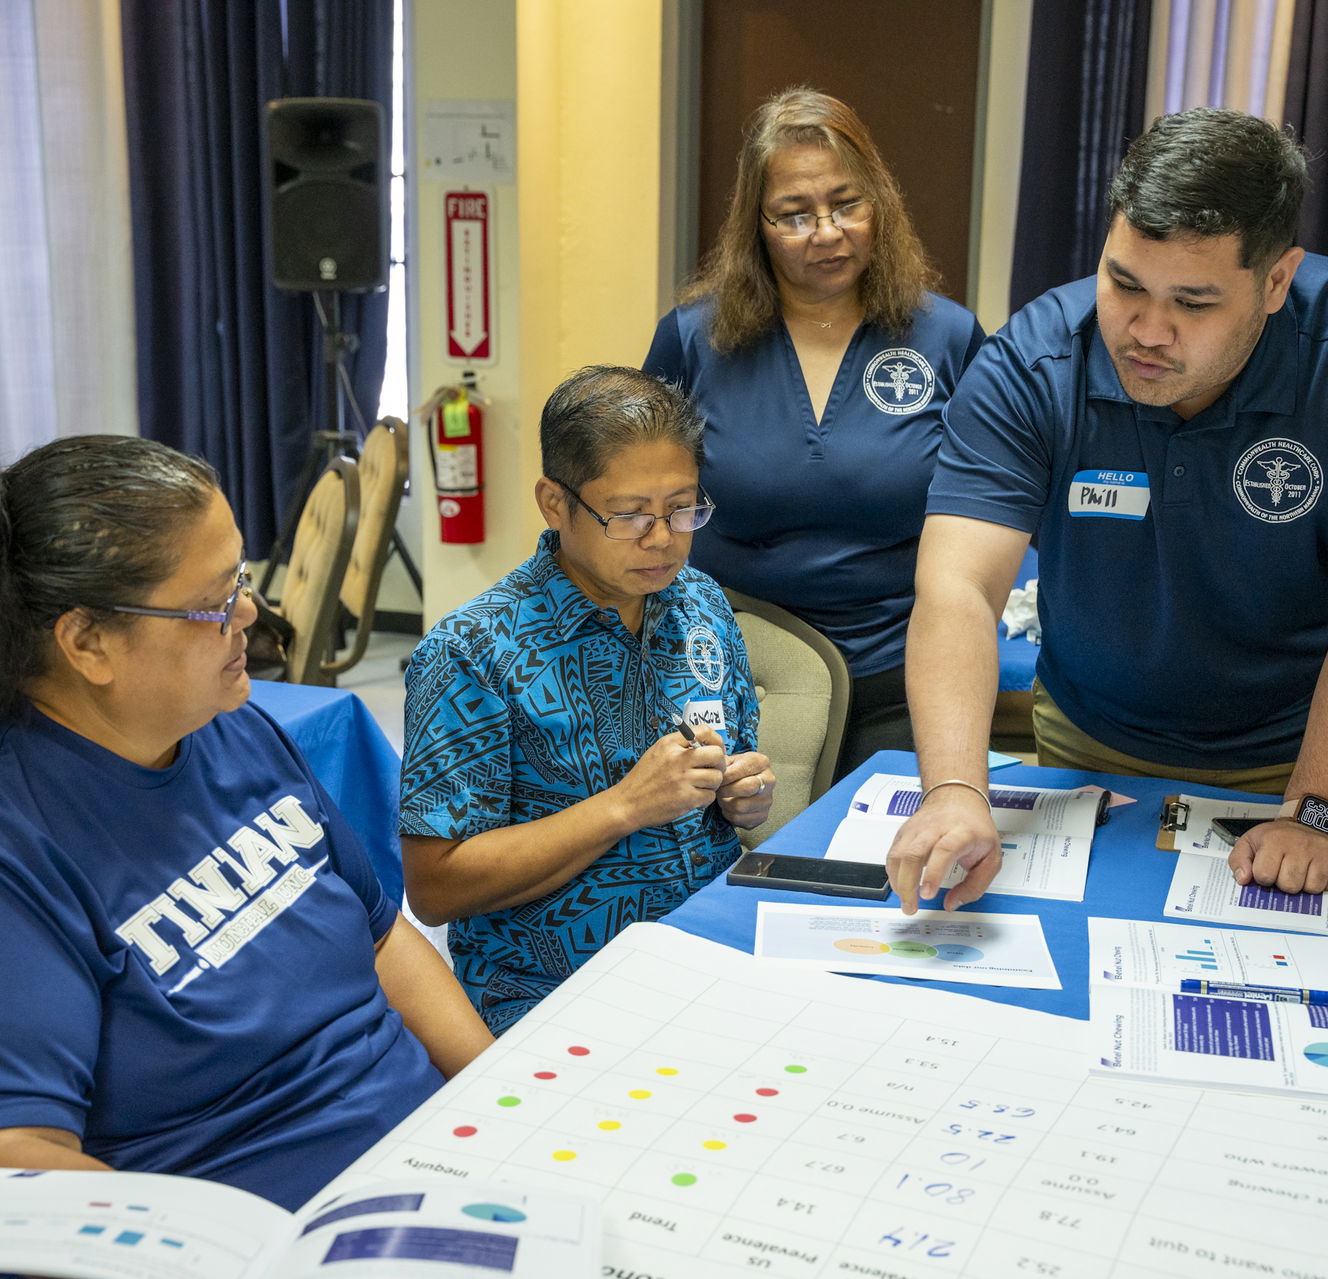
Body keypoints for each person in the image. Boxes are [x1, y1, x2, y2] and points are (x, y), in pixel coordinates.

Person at [885, 106, 1328, 913]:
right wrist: (952, 786)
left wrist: (1319, 810)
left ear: (1275, 281)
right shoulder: (1039, 357)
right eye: (1124, 282)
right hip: (1089, 738)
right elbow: (958, 586)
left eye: (1193, 303)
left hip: (1298, 755)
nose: (1146, 331)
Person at [0, 436, 491, 1211]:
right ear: (88, 642)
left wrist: (496, 1098)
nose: (251, 613)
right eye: (216, 598)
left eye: (243, 578)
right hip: (260, 1223)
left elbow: (381, 933)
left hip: (435, 1155)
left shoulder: (231, 725)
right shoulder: (23, 848)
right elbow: (23, 1156)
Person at [401, 366, 774, 1035]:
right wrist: (625, 806)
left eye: (683, 508)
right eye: (629, 515)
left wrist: (743, 792)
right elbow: (436, 886)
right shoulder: (473, 652)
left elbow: (733, 771)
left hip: (711, 947)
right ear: (555, 502)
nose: (662, 538)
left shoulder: (702, 605)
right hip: (554, 992)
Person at [643, 87, 985, 777]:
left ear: (880, 203)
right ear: (756, 226)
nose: (826, 231)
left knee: (890, 867)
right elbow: (634, 499)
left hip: (901, 670)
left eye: (847, 203)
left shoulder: (948, 338)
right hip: (732, 671)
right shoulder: (694, 341)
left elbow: (996, 504)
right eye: (794, 214)